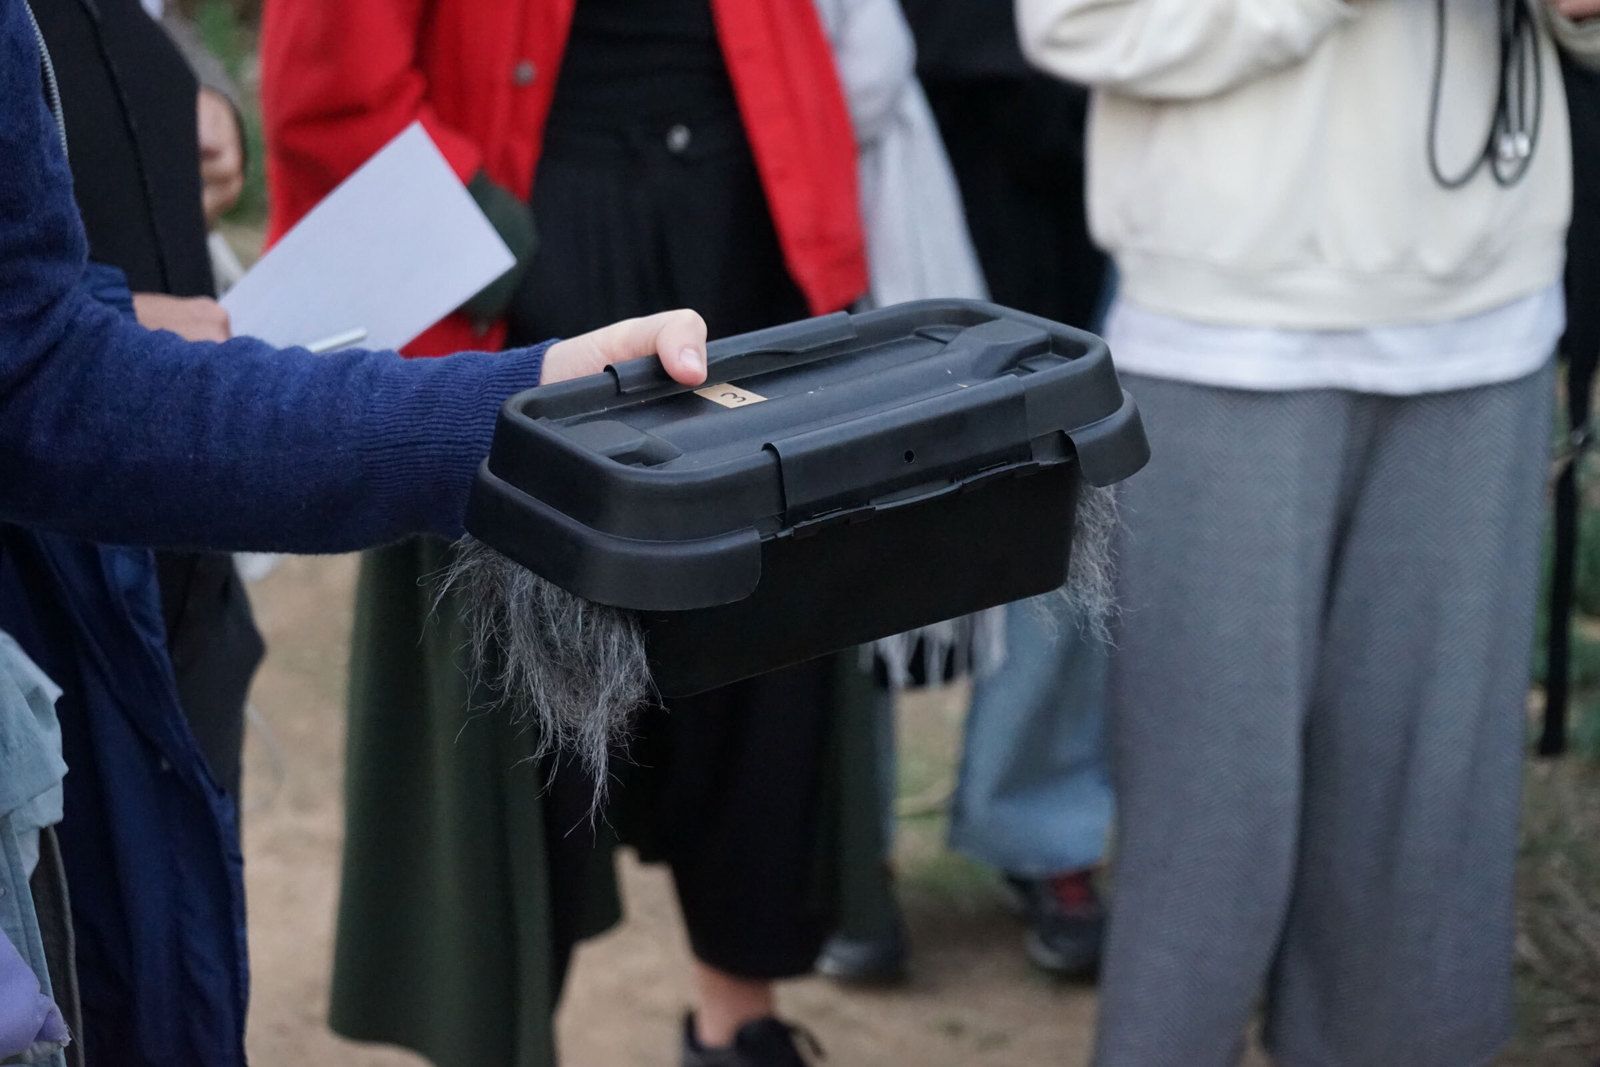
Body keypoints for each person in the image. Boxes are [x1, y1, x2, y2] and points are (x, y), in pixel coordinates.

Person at [2, 0, 707, 1060]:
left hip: (163, 604)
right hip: (58, 628)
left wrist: (188, 86)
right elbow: (46, 379)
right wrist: (498, 412)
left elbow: (36, 359)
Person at [259, 4, 869, 1065]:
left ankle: (739, 1027)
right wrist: (496, 241)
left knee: (762, 672)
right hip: (526, 230)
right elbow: (332, 84)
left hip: (743, 214)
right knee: (520, 711)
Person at [1016, 0, 1600, 1063]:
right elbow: (1075, 23)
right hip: (1227, 326)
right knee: (1207, 820)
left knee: (1424, 832)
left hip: (1489, 319)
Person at [818, 0, 1114, 985]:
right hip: (853, 150)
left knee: (1067, 500)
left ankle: (1040, 822)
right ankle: (845, 849)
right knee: (831, 524)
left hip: (1055, 154)